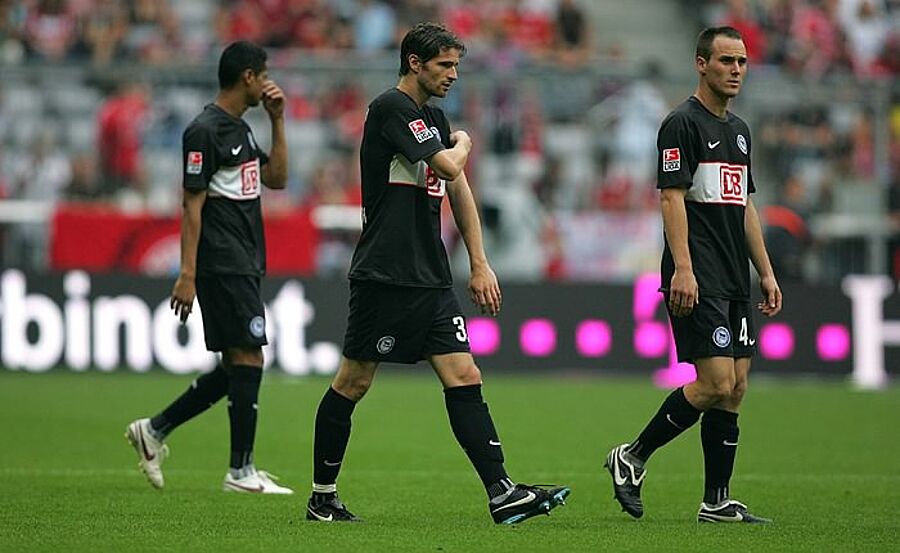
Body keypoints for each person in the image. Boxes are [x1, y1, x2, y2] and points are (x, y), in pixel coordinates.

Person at [304, 22, 570, 524]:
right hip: (386, 274)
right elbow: (450, 166)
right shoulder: (391, 108)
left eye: (456, 66)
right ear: (414, 63)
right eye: (445, 65)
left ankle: (502, 493)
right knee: (353, 382)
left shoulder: (433, 117)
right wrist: (465, 142)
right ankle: (322, 497)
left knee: (464, 373)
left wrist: (479, 262)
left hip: (430, 276)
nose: (453, 75)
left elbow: (458, 187)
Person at [604, 27, 783, 524]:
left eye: (742, 62)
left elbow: (744, 205)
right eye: (726, 60)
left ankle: (717, 501)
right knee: (714, 382)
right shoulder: (680, 124)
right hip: (698, 274)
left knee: (737, 386)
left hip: (734, 275)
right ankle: (632, 455)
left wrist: (766, 272)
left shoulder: (740, 131)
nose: (736, 70)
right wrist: (683, 267)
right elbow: (671, 197)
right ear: (701, 64)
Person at [125, 41, 292, 494]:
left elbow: (277, 179)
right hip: (223, 261)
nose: (268, 83)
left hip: (244, 259)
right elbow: (191, 204)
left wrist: (278, 120)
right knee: (250, 356)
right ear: (248, 77)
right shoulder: (203, 131)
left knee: (237, 363)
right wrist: (187, 273)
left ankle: (153, 430)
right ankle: (241, 471)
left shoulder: (241, 128)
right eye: (264, 74)